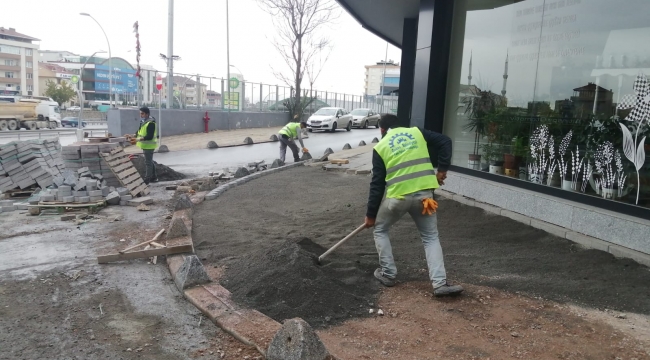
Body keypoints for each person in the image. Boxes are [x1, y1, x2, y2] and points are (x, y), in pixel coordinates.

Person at [364, 113, 463, 297]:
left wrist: (371, 215)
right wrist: (441, 170)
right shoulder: (417, 132)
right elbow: (445, 141)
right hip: (425, 198)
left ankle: (388, 274)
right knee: (430, 237)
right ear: (401, 125)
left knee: (380, 229)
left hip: (398, 198)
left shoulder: (380, 147)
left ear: (382, 130)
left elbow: (377, 184)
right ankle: (440, 283)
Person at [134, 106, 158, 184]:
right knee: (150, 161)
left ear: (147, 114)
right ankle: (154, 177)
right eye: (140, 113)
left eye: (142, 113)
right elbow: (139, 131)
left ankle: (147, 179)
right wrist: (133, 135)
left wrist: (138, 139)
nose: (141, 115)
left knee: (148, 163)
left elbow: (149, 136)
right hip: (145, 145)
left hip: (149, 146)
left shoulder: (151, 123)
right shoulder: (143, 122)